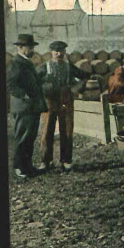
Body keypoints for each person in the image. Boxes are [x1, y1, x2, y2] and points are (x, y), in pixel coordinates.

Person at [36, 41, 89, 173]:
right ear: (51, 53)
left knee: (66, 131)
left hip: (66, 101)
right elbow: (34, 81)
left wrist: (76, 89)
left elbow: (85, 77)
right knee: (47, 130)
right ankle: (45, 161)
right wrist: (43, 88)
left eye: (61, 51)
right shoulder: (45, 66)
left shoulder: (69, 67)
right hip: (50, 102)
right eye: (56, 51)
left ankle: (66, 160)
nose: (59, 54)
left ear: (65, 52)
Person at [7, 34, 47, 179]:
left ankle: (27, 166)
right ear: (20, 48)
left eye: (32, 47)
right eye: (30, 48)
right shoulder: (16, 63)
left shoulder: (26, 62)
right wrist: (25, 95)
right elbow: (10, 85)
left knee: (30, 138)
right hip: (23, 107)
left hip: (32, 107)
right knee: (22, 138)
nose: (32, 50)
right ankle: (19, 168)